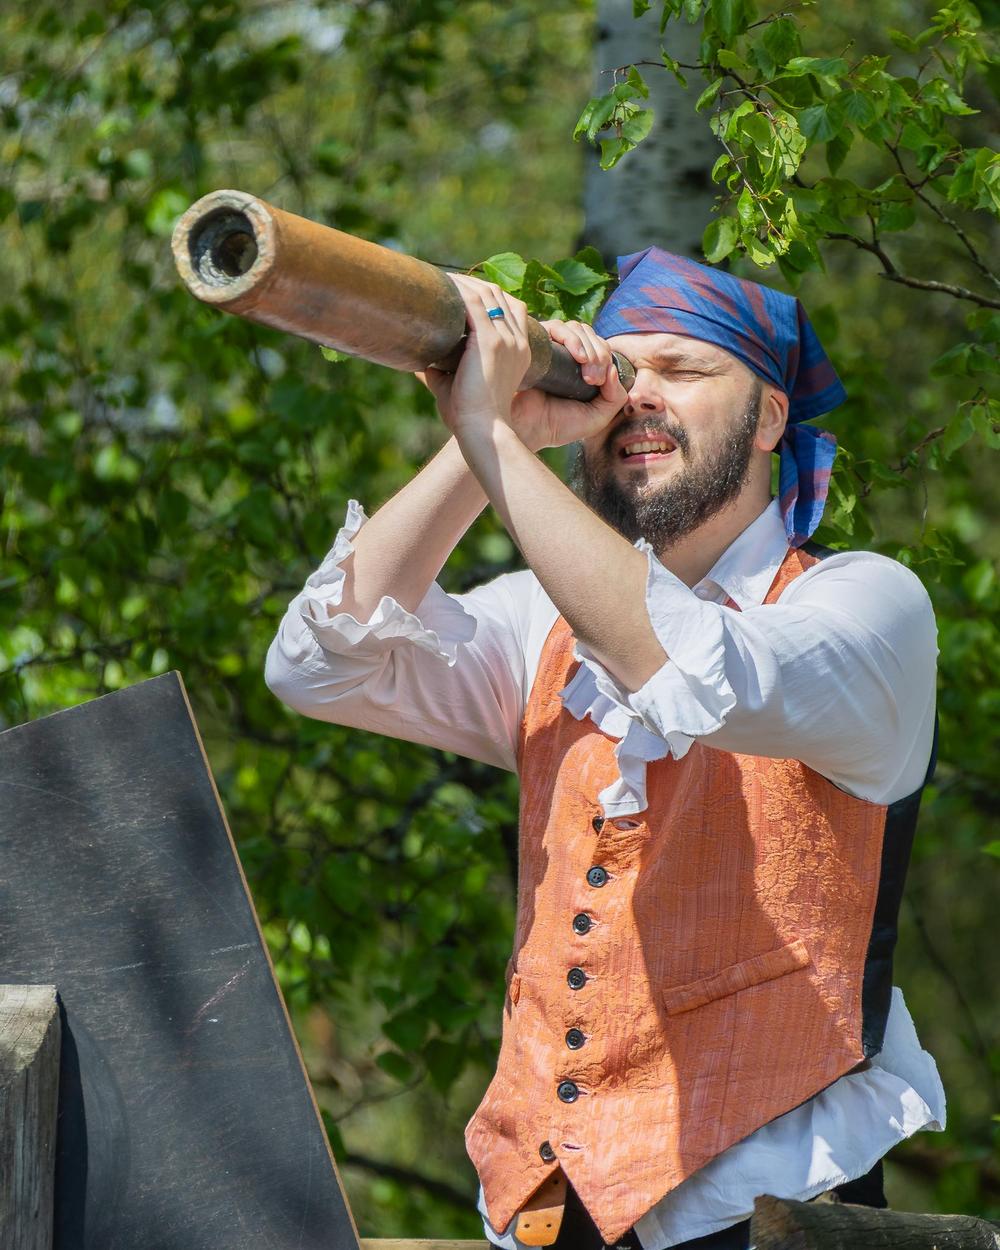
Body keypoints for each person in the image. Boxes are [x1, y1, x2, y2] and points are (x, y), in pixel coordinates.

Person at [265, 248, 946, 1250]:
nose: (639, 395)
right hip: (547, 1213)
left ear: (769, 417)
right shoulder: (540, 622)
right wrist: (486, 433)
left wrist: (491, 438)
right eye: (621, 371)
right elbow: (317, 665)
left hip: (771, 1208)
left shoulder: (865, 602)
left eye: (683, 367)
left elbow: (688, 664)